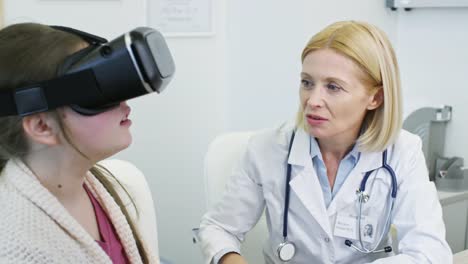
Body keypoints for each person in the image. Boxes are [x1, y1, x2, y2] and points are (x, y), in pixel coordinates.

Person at [197, 20, 452, 263]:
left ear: (375, 98)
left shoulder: (402, 152)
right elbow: (218, 229)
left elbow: (429, 253)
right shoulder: (267, 148)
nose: (312, 100)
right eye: (307, 82)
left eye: (333, 87)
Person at [0, 23, 162, 263]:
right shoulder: (15, 247)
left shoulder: (95, 187)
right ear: (42, 127)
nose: (123, 103)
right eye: (96, 93)